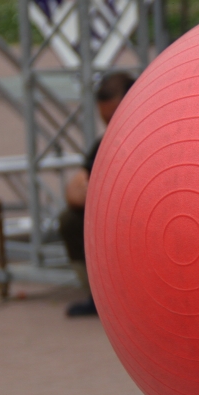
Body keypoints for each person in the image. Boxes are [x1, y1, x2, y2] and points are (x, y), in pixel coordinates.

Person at [60, 71, 135, 318]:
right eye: (105, 119)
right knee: (71, 220)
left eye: (114, 117)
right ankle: (99, 298)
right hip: (116, 216)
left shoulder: (154, 136)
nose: (110, 126)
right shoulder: (105, 144)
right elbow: (75, 192)